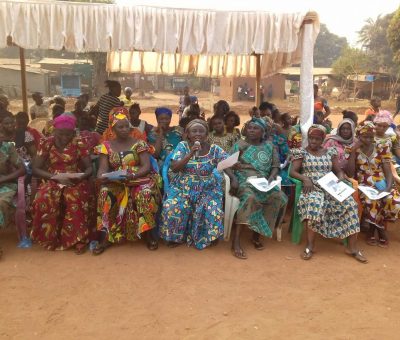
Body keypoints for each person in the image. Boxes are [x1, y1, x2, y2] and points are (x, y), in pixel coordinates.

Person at [290, 125, 366, 263]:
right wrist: (305, 178)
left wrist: (341, 177)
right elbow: (293, 171)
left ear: (323, 140)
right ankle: (310, 246)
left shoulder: (330, 152)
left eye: (317, 139)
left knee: (350, 204)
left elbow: (338, 171)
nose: (313, 141)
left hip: (329, 185)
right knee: (314, 203)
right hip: (311, 187)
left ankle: (352, 247)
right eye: (311, 138)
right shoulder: (302, 152)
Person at [159, 119, 237, 249]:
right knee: (172, 206)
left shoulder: (214, 149)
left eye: (201, 131)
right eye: (194, 131)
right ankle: (175, 237)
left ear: (207, 134)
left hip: (208, 188)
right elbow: (175, 168)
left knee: (213, 210)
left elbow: (227, 163)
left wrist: (233, 176)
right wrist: (190, 153)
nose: (198, 134)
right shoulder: (182, 146)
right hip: (182, 187)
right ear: (188, 134)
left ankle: (208, 236)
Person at [94, 113, 161, 254]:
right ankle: (105, 237)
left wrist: (132, 175)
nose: (124, 129)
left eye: (127, 126)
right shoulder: (105, 146)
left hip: (138, 178)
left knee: (145, 193)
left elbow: (146, 166)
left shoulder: (139, 143)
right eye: (120, 127)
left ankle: (148, 235)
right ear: (112, 129)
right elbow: (102, 169)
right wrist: (103, 177)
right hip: (117, 181)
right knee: (105, 193)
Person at [31, 114, 93, 253]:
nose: (65, 137)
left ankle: (78, 240)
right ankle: (49, 238)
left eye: (68, 134)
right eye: (61, 133)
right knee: (43, 197)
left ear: (73, 132)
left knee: (75, 197)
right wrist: (55, 177)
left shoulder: (79, 142)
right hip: (53, 178)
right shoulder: (46, 143)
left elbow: (89, 168)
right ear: (54, 130)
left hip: (74, 179)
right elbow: (35, 168)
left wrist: (81, 176)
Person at [230, 118, 287, 259]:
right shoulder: (240, 145)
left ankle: (257, 234)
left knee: (279, 197)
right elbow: (226, 165)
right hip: (245, 179)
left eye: (255, 128)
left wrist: (271, 178)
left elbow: (275, 166)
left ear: (263, 132)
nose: (251, 130)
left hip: (263, 181)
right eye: (249, 128)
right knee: (250, 198)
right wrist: (234, 178)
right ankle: (235, 242)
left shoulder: (269, 146)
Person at [347, 122, 400, 247]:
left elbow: (388, 170)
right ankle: (381, 231)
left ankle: (372, 230)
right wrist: (353, 152)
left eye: (371, 137)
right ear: (358, 136)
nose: (369, 140)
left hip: (381, 182)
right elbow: (350, 173)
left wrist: (387, 188)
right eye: (365, 137)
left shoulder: (381, 147)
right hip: (364, 185)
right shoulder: (353, 149)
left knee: (394, 201)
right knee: (372, 202)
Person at [0, 130, 26, 255]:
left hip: (5, 185)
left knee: (1, 203)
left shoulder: (8, 147)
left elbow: (22, 169)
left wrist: (4, 179)